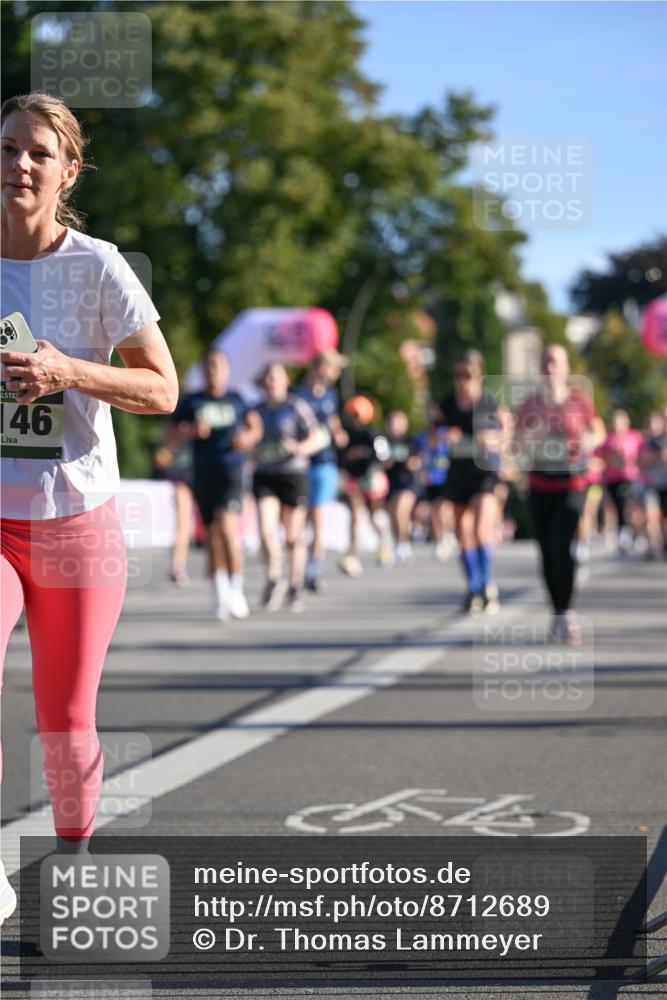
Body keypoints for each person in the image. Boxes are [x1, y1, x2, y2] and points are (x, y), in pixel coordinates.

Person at [0, 92, 178, 918]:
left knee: (66, 718)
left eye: (37, 152)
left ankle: (73, 860)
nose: (18, 165)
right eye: (6, 149)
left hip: (75, 520)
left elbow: (162, 387)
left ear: (67, 170)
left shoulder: (99, 266)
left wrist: (68, 369)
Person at [515, 344, 605, 643]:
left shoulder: (579, 401)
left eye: (556, 362)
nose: (551, 368)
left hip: (572, 483)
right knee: (546, 552)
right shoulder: (530, 405)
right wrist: (531, 435)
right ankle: (557, 614)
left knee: (560, 544)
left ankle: (567, 614)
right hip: (540, 484)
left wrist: (588, 441)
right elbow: (515, 443)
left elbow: (597, 431)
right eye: (546, 362)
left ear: (566, 368)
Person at [168, 348, 261, 620]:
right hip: (202, 471)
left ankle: (237, 587)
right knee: (211, 534)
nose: (213, 371)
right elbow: (169, 436)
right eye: (209, 366)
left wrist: (247, 439)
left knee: (227, 527)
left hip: (231, 469)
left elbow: (255, 428)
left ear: (227, 370)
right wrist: (188, 431)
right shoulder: (192, 402)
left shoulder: (237, 399)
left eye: (218, 366)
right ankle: (220, 586)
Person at [251, 362, 324, 613]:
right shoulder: (256, 411)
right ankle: (274, 576)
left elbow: (318, 437)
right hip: (265, 474)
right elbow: (246, 439)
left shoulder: (296, 407)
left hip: (293, 474)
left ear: (285, 381)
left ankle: (296, 585)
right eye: (268, 377)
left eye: (276, 377)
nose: (271, 381)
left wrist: (299, 448)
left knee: (293, 537)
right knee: (265, 529)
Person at [437, 350, 505, 614]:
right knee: (462, 533)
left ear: (479, 375)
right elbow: (431, 435)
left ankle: (486, 584)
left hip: (484, 472)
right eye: (458, 375)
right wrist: (444, 436)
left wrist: (491, 439)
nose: (463, 380)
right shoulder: (447, 404)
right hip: (458, 471)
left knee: (479, 528)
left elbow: (509, 433)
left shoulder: (489, 403)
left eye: (468, 375)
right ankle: (473, 587)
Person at [291, 349, 349, 592]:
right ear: (321, 367)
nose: (336, 374)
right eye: (333, 368)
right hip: (301, 464)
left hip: (325, 463)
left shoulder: (330, 395)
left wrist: (338, 432)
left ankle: (313, 571)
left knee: (318, 519)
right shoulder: (297, 394)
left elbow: (332, 418)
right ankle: (297, 569)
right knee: (298, 521)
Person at [337, 395, 393, 577]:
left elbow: (384, 457)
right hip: (353, 478)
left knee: (373, 516)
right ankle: (352, 556)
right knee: (354, 517)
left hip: (370, 477)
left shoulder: (373, 434)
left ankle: (384, 544)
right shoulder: (345, 434)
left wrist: (362, 454)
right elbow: (339, 455)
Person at [152, 420, 196, 586]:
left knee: (206, 523)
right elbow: (165, 442)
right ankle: (177, 566)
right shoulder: (180, 419)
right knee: (182, 522)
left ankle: (215, 568)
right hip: (183, 475)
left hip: (205, 472)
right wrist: (186, 432)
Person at [599, 409, 644, 553]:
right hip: (613, 478)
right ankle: (623, 534)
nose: (617, 425)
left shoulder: (635, 436)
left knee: (630, 506)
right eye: (614, 422)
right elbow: (601, 456)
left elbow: (643, 455)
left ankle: (635, 533)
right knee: (617, 507)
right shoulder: (609, 438)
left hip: (630, 477)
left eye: (620, 421)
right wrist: (611, 456)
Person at [412, 410, 456, 561]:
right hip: (431, 481)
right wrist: (421, 471)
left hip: (447, 480)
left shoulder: (448, 435)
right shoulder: (422, 438)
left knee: (443, 509)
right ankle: (440, 539)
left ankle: (448, 534)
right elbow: (418, 458)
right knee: (434, 512)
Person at [382, 409, 420, 563]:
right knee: (393, 515)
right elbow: (381, 462)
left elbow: (418, 461)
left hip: (407, 483)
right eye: (392, 423)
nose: (395, 426)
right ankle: (399, 542)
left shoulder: (411, 442)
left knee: (400, 510)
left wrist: (413, 463)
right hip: (390, 483)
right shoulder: (383, 442)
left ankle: (404, 542)